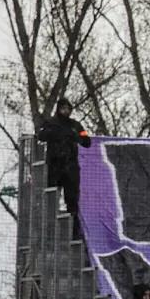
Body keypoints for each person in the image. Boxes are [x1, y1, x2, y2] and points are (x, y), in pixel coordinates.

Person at [34, 98, 92, 230]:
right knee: (51, 198)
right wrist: (54, 133)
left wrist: (75, 136)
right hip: (54, 166)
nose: (65, 111)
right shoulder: (51, 123)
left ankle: (74, 230)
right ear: (58, 109)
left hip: (71, 167)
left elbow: (87, 141)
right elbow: (40, 135)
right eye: (63, 108)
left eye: (68, 108)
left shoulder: (76, 125)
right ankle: (48, 227)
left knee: (72, 200)